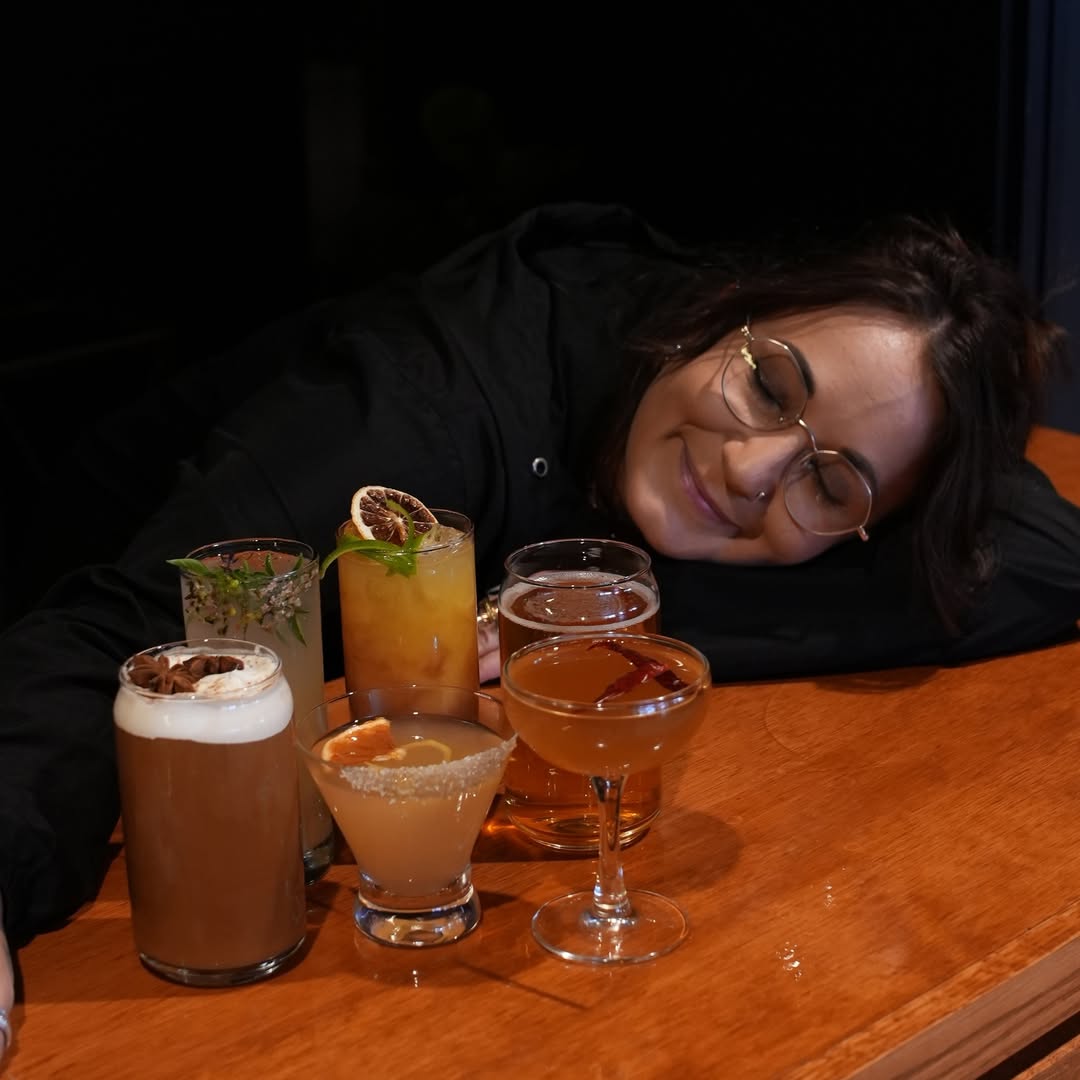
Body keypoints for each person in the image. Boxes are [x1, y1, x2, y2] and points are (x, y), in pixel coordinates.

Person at [1, 202, 1078, 1049]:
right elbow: (112, 633)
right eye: (769, 384)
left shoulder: (819, 513)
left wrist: (581, 622)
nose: (753, 470)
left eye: (832, 485)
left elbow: (1048, 557)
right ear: (729, 312)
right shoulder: (440, 397)